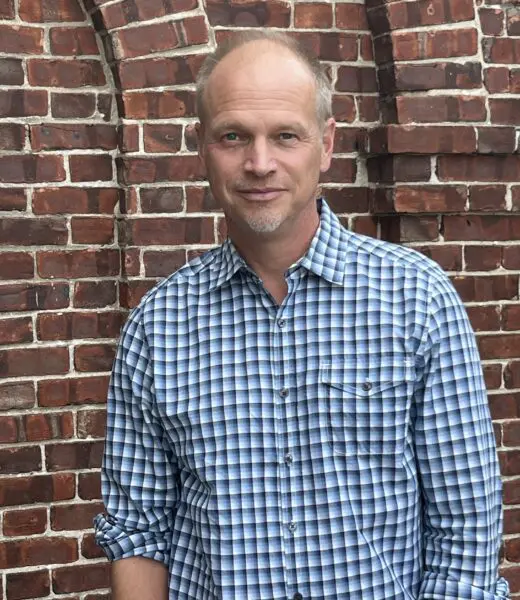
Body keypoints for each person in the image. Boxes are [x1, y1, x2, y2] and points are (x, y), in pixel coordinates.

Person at [94, 31, 509, 600]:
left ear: (327, 144)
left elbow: (464, 536)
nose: (259, 163)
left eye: (285, 136)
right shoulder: (157, 328)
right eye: (233, 136)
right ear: (202, 147)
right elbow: (139, 532)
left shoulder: (418, 301)